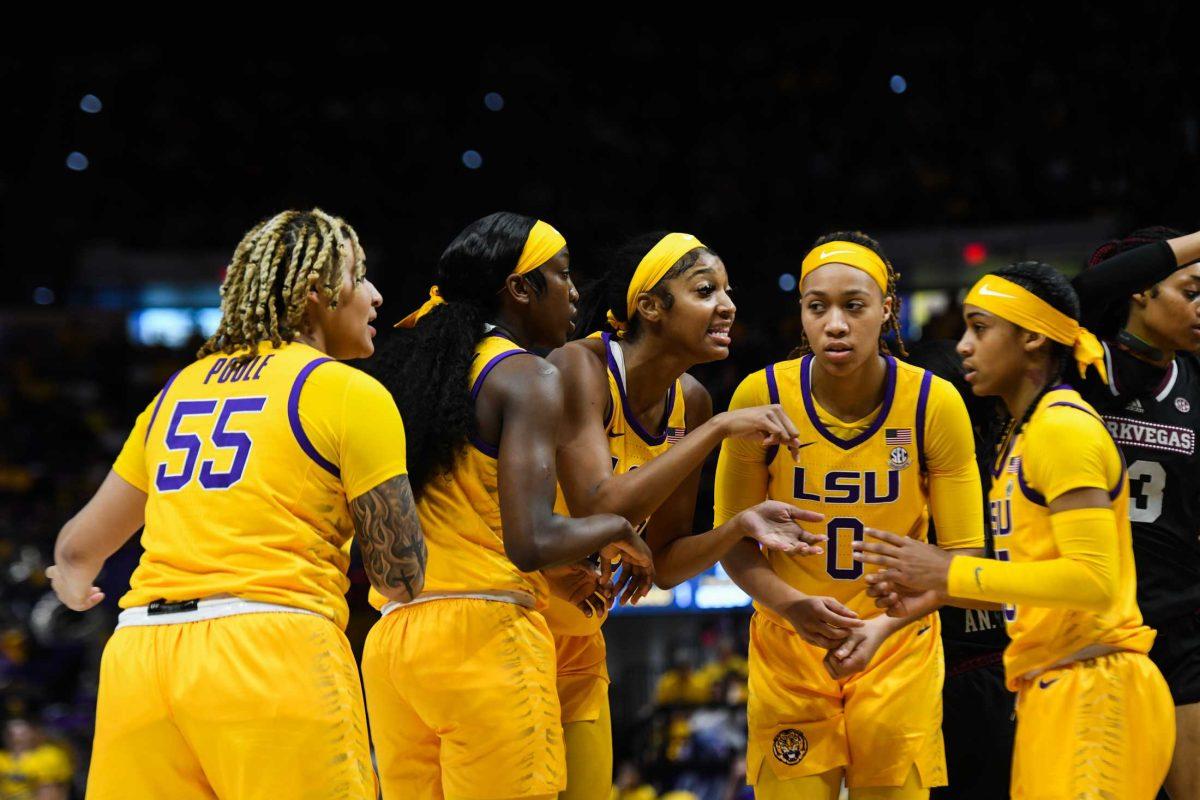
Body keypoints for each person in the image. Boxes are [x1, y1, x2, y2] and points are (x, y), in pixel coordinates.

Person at [47, 209, 425, 799]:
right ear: (316, 292)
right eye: (361, 275)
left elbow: (77, 549)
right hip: (270, 649)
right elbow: (401, 578)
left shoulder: (179, 387)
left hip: (140, 657)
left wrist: (72, 583)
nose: (376, 296)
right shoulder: (349, 391)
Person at [361, 213, 654, 800]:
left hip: (392, 640)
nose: (575, 291)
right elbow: (531, 540)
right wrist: (620, 527)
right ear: (520, 289)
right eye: (563, 275)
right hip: (484, 637)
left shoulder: (407, 376)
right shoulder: (525, 376)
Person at [857, 261, 1176, 798]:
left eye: (980, 329)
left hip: (1098, 689)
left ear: (1031, 337)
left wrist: (951, 568)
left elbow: (1092, 580)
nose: (962, 346)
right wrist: (937, 588)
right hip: (1049, 687)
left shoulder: (1062, 429)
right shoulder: (1021, 438)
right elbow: (1028, 574)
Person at [546, 231, 824, 800]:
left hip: (581, 638)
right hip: (519, 619)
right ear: (649, 305)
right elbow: (600, 506)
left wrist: (736, 527)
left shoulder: (691, 399)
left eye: (727, 290)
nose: (727, 305)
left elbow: (665, 564)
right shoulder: (581, 364)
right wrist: (718, 430)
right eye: (705, 291)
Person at [715, 232, 985, 799]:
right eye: (818, 307)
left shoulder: (933, 402)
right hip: (790, 648)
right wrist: (791, 607)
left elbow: (965, 558)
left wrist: (882, 628)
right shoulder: (757, 397)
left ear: (887, 310)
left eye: (853, 306)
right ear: (802, 314)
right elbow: (732, 542)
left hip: (898, 648)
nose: (835, 324)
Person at [1073, 227, 1200, 799]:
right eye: (1191, 292)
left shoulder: (1196, 382)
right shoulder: (1077, 364)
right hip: (1089, 624)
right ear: (1140, 291)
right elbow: (1083, 287)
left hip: (1179, 621)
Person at [0, 718, 71, 800]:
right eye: (11, 735)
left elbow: (51, 791)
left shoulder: (49, 756)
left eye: (23, 734)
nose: (17, 739)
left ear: (32, 733)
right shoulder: (2, 757)